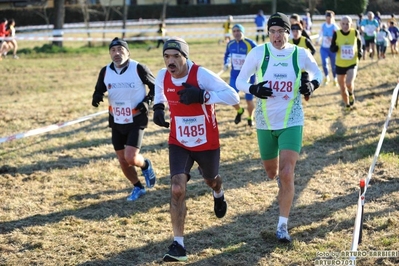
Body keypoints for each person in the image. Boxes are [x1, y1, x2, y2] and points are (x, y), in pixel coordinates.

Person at [236, 12, 323, 243]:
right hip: (265, 122)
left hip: (292, 120)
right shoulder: (259, 53)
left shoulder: (299, 53)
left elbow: (319, 73)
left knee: (286, 173)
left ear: (288, 32)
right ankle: (281, 181)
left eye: (281, 31)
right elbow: (239, 81)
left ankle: (282, 226)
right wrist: (254, 90)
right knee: (271, 172)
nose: (276, 36)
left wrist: (312, 85)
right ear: (268, 33)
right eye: (272, 31)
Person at [153, 37, 240, 262]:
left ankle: (218, 193)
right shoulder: (163, 75)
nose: (170, 61)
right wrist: (158, 108)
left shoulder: (201, 75)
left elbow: (233, 96)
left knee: (211, 179)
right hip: (179, 141)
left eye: (176, 56)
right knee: (176, 189)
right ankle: (178, 245)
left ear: (185, 56)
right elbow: (159, 91)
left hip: (206, 142)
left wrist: (203, 95)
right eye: (166, 56)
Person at [92, 37, 157, 201]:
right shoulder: (105, 71)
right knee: (122, 160)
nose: (117, 53)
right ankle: (138, 187)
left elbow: (156, 86)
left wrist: (147, 101)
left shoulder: (138, 68)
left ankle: (146, 165)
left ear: (127, 52)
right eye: (113, 50)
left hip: (136, 118)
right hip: (116, 119)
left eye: (120, 49)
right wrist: (97, 96)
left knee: (131, 157)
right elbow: (100, 88)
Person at [223, 24, 257, 126]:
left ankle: (250, 117)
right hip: (235, 75)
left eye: (239, 31)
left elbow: (259, 55)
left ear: (243, 32)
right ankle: (239, 110)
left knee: (249, 100)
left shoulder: (250, 44)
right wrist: (226, 62)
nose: (236, 33)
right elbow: (227, 54)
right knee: (231, 97)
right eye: (234, 31)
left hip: (249, 76)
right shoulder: (230, 44)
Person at [330, 16, 362, 111]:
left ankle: (351, 93)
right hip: (340, 64)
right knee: (342, 88)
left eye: (347, 23)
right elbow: (331, 47)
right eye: (343, 24)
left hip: (352, 62)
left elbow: (359, 43)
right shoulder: (336, 34)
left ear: (351, 24)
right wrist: (334, 48)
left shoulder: (355, 32)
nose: (345, 26)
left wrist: (360, 52)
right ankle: (347, 105)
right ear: (340, 24)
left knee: (348, 83)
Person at [289, 22, 316, 101]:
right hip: (294, 69)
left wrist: (308, 58)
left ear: (301, 31)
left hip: (304, 69)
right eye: (293, 31)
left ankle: (307, 94)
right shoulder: (289, 43)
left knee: (306, 86)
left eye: (297, 31)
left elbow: (313, 50)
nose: (295, 33)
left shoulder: (305, 41)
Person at [317, 10, 339, 86]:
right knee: (324, 63)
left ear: (333, 18)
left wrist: (333, 39)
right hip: (324, 48)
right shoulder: (323, 25)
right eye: (327, 18)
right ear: (325, 18)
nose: (328, 20)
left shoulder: (335, 27)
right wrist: (317, 40)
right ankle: (326, 77)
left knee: (333, 65)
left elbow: (339, 37)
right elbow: (320, 34)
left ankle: (335, 78)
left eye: (330, 18)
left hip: (332, 49)